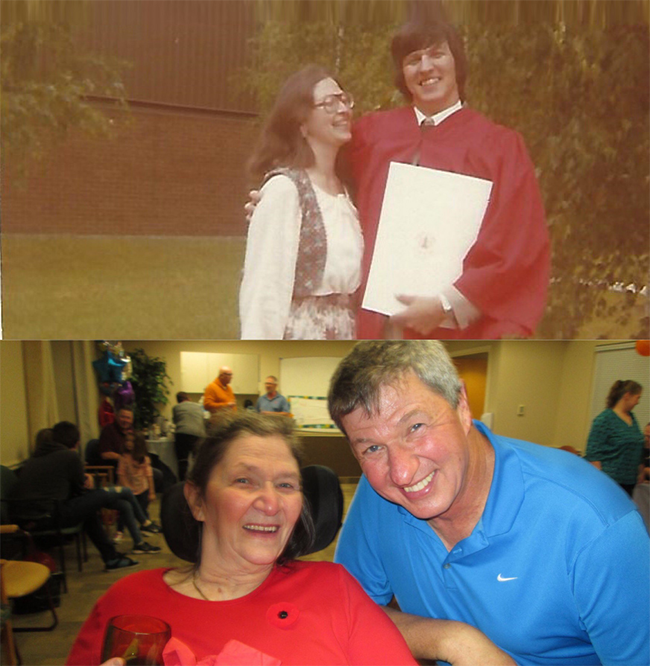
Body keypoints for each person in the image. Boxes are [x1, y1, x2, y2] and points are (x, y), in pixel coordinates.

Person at [329, 341, 650, 666]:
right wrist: (452, 640)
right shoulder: (381, 493)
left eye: (415, 427)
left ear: (462, 405)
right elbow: (346, 609)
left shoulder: (596, 525)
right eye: (371, 448)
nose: (400, 472)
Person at [247, 18, 549, 340]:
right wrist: (285, 201)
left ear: (457, 62)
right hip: (369, 327)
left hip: (452, 336)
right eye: (412, 60)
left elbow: (518, 248)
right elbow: (319, 167)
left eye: (436, 54)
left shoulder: (500, 148)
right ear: (402, 74)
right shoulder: (371, 134)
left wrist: (446, 305)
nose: (425, 66)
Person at [67, 413, 418, 666]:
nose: (270, 503)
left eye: (285, 485)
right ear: (197, 501)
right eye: (244, 481)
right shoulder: (128, 601)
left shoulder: (334, 589)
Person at [239, 64, 363, 340]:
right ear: (302, 124)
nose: (343, 109)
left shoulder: (348, 193)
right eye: (329, 103)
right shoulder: (285, 190)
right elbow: (263, 293)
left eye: (344, 100)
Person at [12, 421, 139, 571]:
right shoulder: (69, 456)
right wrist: (88, 479)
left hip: (28, 518)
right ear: (77, 442)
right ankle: (129, 503)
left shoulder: (36, 458)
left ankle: (111, 558)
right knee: (100, 497)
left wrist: (85, 479)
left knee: (88, 510)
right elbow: (82, 489)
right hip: (46, 517)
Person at [584, 379, 644, 496]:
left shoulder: (632, 418)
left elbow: (637, 445)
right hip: (610, 481)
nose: (638, 402)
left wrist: (640, 471)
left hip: (629, 481)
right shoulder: (604, 419)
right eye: (637, 397)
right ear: (627, 396)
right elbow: (593, 453)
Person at [117, 431, 156, 522]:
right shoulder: (124, 458)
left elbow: (149, 475)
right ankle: (120, 530)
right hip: (129, 489)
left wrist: (151, 492)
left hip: (142, 488)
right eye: (127, 440)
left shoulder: (144, 459)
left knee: (142, 509)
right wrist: (126, 489)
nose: (128, 443)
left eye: (132, 441)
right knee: (126, 510)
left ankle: (145, 525)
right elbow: (121, 474)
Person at [172, 391, 207, 481]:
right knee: (197, 460)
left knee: (183, 461)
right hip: (199, 434)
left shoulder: (176, 407)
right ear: (189, 398)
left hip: (182, 433)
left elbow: (175, 421)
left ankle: (182, 484)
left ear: (178, 400)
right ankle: (199, 481)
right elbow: (203, 419)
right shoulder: (198, 406)